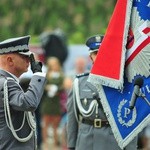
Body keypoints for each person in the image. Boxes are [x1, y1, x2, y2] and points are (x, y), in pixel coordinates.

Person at [67, 35, 137, 150]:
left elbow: (131, 118)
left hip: (113, 141)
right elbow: (72, 118)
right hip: (86, 141)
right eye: (95, 53)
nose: (99, 56)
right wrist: (71, 145)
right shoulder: (79, 83)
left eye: (102, 52)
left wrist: (131, 147)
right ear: (91, 57)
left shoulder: (123, 83)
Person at [0, 35, 46, 150]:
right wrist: (38, 75)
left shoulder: (8, 81)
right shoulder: (6, 83)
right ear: (10, 60)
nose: (29, 61)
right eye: (24, 57)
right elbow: (28, 103)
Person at [41, 56, 64, 150]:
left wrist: (57, 89)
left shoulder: (61, 75)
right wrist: (48, 87)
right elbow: (42, 86)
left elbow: (63, 86)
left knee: (55, 124)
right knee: (45, 123)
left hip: (56, 102)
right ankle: (45, 144)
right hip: (47, 102)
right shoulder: (46, 75)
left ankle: (55, 144)